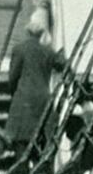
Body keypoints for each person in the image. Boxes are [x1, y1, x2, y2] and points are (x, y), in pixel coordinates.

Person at [5, 14, 66, 149]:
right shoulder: (48, 52)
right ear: (41, 33)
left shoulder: (19, 49)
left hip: (24, 100)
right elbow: (63, 65)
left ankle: (22, 167)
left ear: (27, 31)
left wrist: (13, 94)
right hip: (43, 100)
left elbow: (13, 77)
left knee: (21, 143)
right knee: (41, 142)